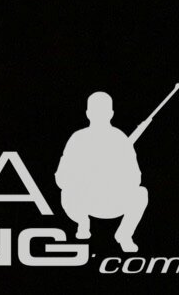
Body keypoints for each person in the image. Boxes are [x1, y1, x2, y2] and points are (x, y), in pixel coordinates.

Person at [59, 91, 150, 253]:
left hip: (113, 201)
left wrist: (113, 176)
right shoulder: (78, 139)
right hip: (84, 201)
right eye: (96, 111)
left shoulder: (120, 139)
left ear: (111, 114)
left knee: (141, 194)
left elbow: (136, 178)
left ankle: (124, 235)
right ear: (88, 114)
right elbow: (61, 177)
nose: (99, 115)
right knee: (66, 193)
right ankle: (82, 222)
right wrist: (84, 179)